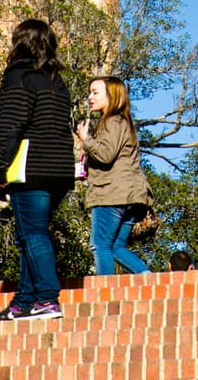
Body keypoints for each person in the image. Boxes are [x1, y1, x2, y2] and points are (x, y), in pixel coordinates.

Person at [0, 19, 75, 322]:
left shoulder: (18, 77)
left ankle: (47, 298)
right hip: (60, 169)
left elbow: (11, 127)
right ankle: (24, 302)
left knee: (32, 235)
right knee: (30, 235)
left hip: (31, 167)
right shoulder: (56, 81)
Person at [76, 76, 152, 276]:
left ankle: (104, 291)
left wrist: (86, 139)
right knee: (116, 247)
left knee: (100, 244)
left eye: (95, 92)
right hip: (131, 195)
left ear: (112, 95)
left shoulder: (112, 121)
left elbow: (106, 154)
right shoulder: (122, 122)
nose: (90, 97)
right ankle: (147, 276)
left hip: (112, 194)